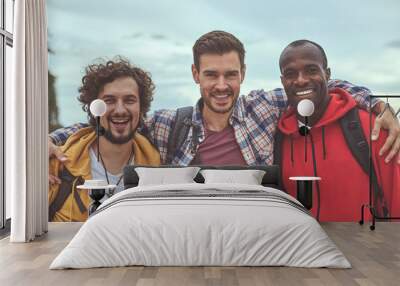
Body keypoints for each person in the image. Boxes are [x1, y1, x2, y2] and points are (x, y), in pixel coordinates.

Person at [49, 31, 400, 170]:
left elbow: (321, 83)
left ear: (242, 74)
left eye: (230, 75)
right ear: (195, 74)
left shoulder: (265, 107)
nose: (221, 85)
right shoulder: (169, 124)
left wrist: (376, 105)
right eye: (211, 75)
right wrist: (50, 142)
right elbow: (109, 121)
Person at [275, 40, 400, 221]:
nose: (301, 80)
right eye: (291, 73)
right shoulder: (279, 138)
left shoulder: (372, 129)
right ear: (282, 81)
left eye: (311, 70)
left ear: (327, 74)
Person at [49, 58, 160, 222]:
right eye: (109, 101)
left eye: (129, 100)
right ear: (94, 109)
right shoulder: (57, 165)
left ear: (141, 108)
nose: (120, 110)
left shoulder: (158, 170)